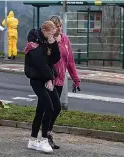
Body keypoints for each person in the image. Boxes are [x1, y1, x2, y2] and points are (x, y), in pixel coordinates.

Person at [41, 15, 81, 149]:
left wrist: (76, 78)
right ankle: (44, 136)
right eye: (56, 26)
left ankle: (45, 134)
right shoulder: (48, 41)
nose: (59, 28)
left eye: (60, 26)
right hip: (50, 79)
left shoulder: (65, 39)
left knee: (50, 109)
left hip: (60, 80)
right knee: (53, 108)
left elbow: (70, 61)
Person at [24, 20, 61, 154]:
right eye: (50, 33)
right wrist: (49, 79)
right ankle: (43, 139)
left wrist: (53, 43)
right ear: (44, 31)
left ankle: (33, 140)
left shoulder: (46, 42)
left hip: (46, 79)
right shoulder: (34, 44)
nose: (52, 35)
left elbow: (55, 59)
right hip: (38, 79)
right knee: (49, 108)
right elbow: (41, 64)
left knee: (49, 108)